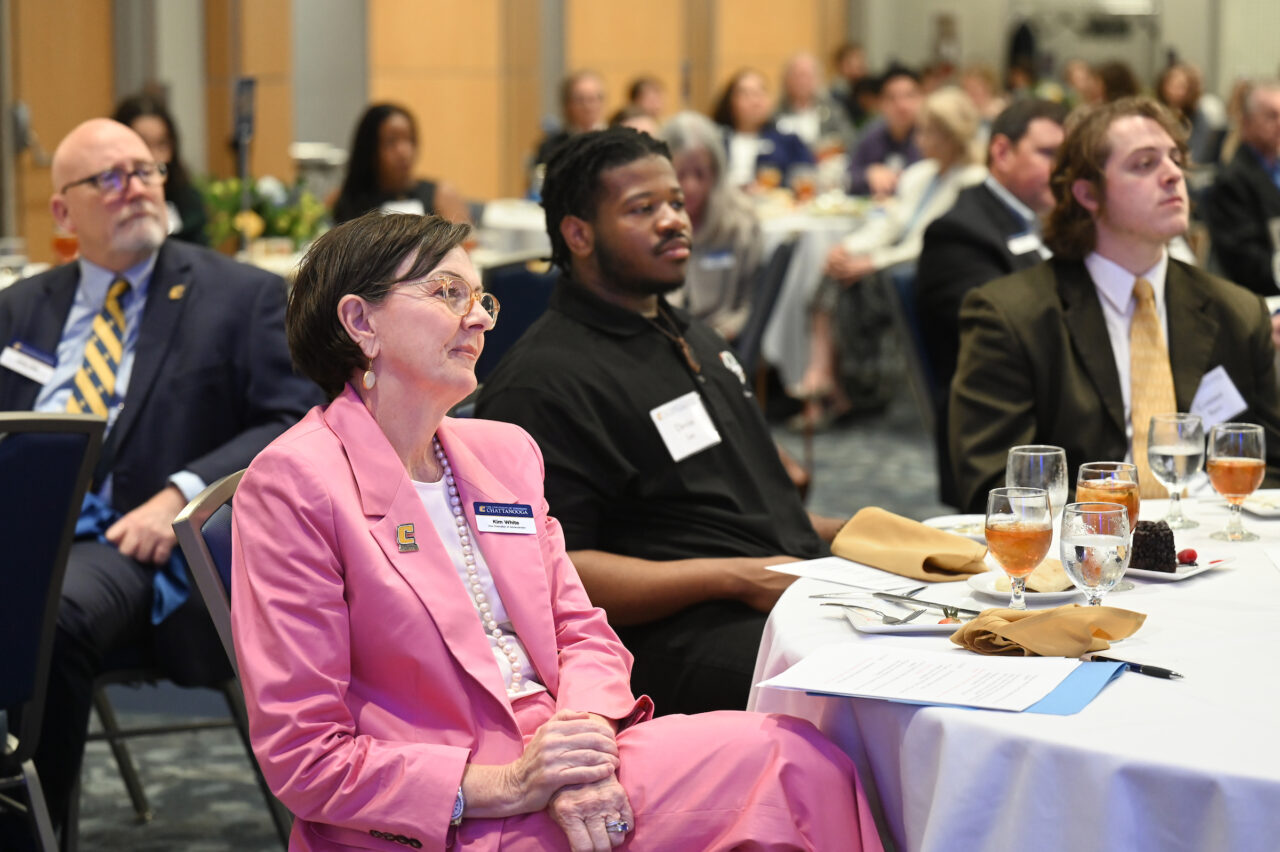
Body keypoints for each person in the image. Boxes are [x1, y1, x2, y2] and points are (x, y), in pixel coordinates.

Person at [231, 210, 882, 852]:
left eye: (480, 297)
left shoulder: (503, 452)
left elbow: (581, 629)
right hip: (442, 809)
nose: (481, 318)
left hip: (562, 744)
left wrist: (579, 745)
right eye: (447, 293)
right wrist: (510, 784)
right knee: (784, 781)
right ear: (360, 322)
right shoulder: (296, 484)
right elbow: (306, 756)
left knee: (800, 758)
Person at [0, 118, 322, 841]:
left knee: (47, 613)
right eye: (109, 179)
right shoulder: (20, 307)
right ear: (62, 211)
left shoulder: (239, 296)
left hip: (131, 541)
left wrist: (181, 494)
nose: (136, 189)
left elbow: (296, 419)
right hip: (20, 526)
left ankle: (29, 832)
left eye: (145, 171)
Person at [476, 129, 844, 715]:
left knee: (945, 618)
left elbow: (736, 508)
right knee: (864, 681)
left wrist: (849, 535)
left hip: (772, 588)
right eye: (642, 209)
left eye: (674, 202)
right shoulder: (543, 384)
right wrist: (738, 578)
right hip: (668, 639)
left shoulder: (689, 333)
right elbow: (556, 571)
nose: (674, 220)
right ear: (579, 234)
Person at [949, 97, 1280, 512]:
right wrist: (1121, 529)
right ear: (1088, 193)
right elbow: (992, 482)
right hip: (1085, 544)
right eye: (1144, 163)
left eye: (1175, 159)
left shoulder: (1237, 312)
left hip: (1214, 537)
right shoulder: (1012, 316)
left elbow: (1273, 468)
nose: (1173, 175)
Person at [797, 86, 986, 423]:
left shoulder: (972, 181)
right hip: (897, 263)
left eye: (927, 131)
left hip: (928, 273)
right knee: (837, 268)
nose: (919, 139)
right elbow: (890, 224)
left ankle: (831, 382)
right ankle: (828, 379)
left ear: (950, 136)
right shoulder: (921, 174)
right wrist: (848, 248)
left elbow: (930, 244)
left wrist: (872, 262)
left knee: (852, 281)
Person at [916, 98, 1066, 506]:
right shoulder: (959, 233)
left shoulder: (1045, 220)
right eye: (1049, 153)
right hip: (1001, 434)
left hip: (1049, 411)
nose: (1063, 169)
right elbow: (1019, 335)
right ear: (1001, 152)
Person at [660, 111, 763, 339]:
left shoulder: (741, 222)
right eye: (680, 175)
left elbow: (750, 302)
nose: (691, 187)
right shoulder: (651, 224)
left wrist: (721, 335)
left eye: (700, 174)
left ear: (716, 173)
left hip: (722, 338)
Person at [332, 103, 469, 225]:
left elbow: (465, 244)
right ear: (369, 148)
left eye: (410, 140)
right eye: (391, 141)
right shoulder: (343, 198)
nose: (404, 152)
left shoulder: (442, 196)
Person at [1204, 80, 1280, 296]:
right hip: (1260, 297)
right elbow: (1246, 263)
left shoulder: (1275, 167)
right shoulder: (1231, 181)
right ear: (1247, 122)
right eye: (1271, 116)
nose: (1279, 123)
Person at [112, 93, 208, 245]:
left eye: (162, 144)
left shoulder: (187, 200)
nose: (154, 156)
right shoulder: (110, 200)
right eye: (143, 143)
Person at [711, 68, 815, 190]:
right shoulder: (716, 141)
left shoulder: (789, 141)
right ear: (731, 102)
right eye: (746, 95)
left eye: (760, 94)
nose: (755, 102)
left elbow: (806, 178)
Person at [846, 65, 923, 197]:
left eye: (909, 96)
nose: (901, 105)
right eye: (892, 98)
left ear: (922, 98)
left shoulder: (933, 137)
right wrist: (868, 174)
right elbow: (847, 176)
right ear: (881, 104)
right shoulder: (871, 135)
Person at [773, 52, 855, 155]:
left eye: (807, 76)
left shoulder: (832, 110)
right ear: (786, 80)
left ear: (818, 79)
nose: (802, 81)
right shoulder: (776, 114)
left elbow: (848, 139)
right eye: (797, 76)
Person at [532, 70, 609, 173]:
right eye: (580, 100)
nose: (588, 106)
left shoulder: (615, 141)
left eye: (593, 99)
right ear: (567, 105)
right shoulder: (552, 146)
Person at [1155, 62, 1227, 166]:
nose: (1173, 90)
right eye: (1170, 84)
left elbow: (1196, 156)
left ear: (1190, 90)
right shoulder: (1156, 112)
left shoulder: (1199, 119)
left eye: (1180, 86)